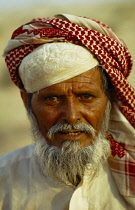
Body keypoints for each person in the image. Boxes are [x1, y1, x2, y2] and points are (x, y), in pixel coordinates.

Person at [1, 13, 135, 210]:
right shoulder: (5, 178)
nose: (71, 116)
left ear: (109, 98)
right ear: (26, 101)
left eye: (86, 97)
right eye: (52, 99)